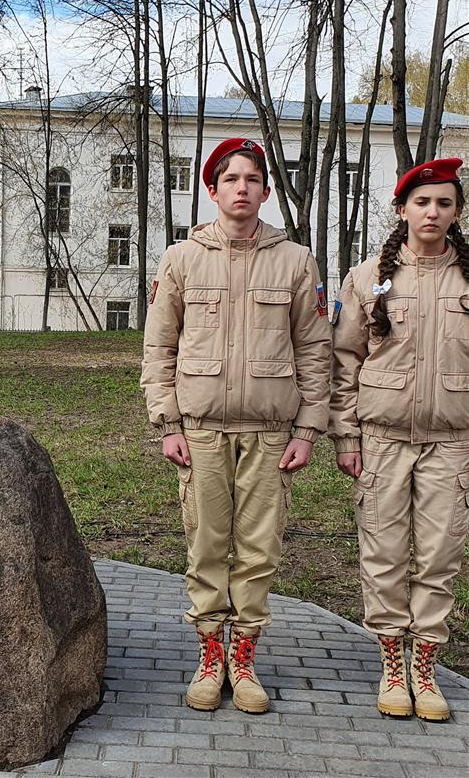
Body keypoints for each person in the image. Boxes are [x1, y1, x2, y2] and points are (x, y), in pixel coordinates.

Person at [140, 138, 331, 713]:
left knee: (258, 550)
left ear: (266, 192)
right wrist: (167, 420)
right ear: (212, 190)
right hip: (200, 429)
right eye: (231, 180)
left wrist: (307, 430)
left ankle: (243, 659)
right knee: (205, 545)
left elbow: (315, 349)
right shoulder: (181, 259)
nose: (242, 188)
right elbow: (159, 346)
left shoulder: (295, 260)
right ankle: (209, 656)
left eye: (252, 179)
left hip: (271, 433)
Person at [330, 157, 469, 722]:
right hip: (382, 439)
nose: (432, 212)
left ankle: (425, 667)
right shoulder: (368, 279)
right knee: (384, 556)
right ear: (402, 209)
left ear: (457, 212)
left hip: (453, 441)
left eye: (444, 203)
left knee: (439, 556)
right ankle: (392, 662)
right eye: (422, 202)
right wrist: (346, 436)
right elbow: (344, 361)